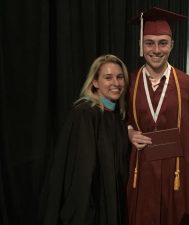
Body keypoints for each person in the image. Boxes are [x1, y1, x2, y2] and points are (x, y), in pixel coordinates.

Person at [39, 54, 130, 225]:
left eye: (120, 77)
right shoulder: (85, 113)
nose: (116, 83)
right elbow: (81, 173)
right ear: (95, 82)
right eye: (108, 77)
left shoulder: (115, 115)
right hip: (91, 209)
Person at [127, 7, 189, 225]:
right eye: (149, 42)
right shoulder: (130, 82)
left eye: (163, 42)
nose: (156, 49)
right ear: (141, 45)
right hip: (142, 168)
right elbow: (118, 119)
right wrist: (128, 131)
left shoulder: (187, 84)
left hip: (175, 171)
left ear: (172, 45)